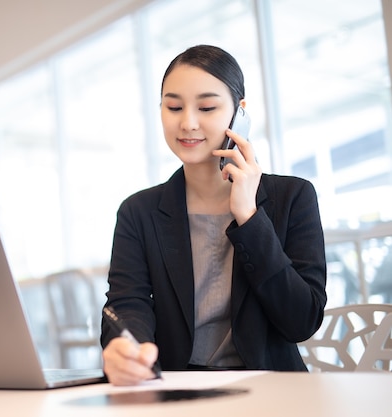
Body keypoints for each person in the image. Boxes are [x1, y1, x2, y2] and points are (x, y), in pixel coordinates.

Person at [100, 44, 327, 386]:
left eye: (206, 107)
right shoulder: (139, 211)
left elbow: (301, 321)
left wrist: (249, 216)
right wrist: (128, 348)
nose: (188, 122)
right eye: (173, 106)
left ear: (240, 113)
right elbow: (126, 303)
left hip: (273, 391)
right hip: (178, 389)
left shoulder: (293, 197)